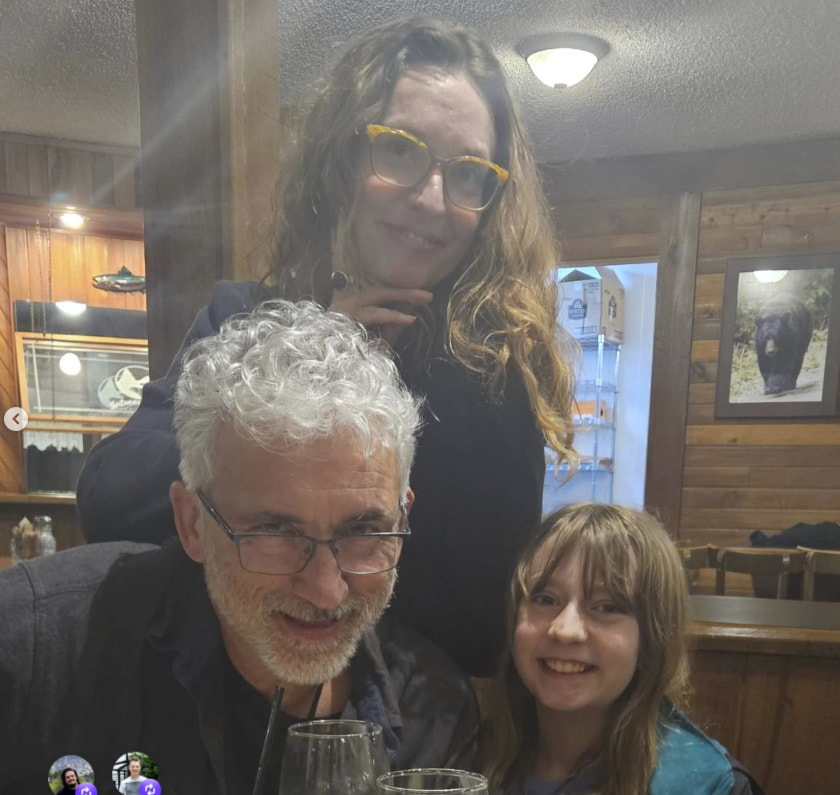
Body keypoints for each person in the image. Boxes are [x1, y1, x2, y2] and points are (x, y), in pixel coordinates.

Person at [75, 15, 577, 677]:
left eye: (467, 173)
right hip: (228, 702)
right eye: (401, 151)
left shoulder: (497, 371)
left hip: (408, 719)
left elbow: (484, 623)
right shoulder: (247, 318)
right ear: (341, 162)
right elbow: (112, 497)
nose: (432, 199)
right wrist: (306, 351)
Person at [1, 302, 477, 795]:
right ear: (192, 523)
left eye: (364, 531)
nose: (327, 592)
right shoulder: (37, 650)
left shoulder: (434, 712)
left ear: (402, 519)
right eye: (275, 532)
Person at [481, 503, 763, 795]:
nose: (565, 630)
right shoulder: (472, 753)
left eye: (607, 607)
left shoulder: (713, 787)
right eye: (545, 599)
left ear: (652, 639)